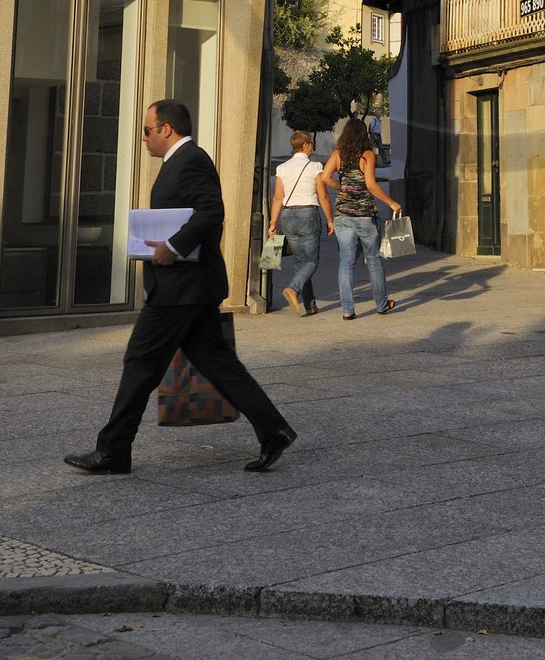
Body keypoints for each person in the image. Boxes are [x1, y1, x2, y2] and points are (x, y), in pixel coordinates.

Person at [64, 99, 296, 476]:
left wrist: (171, 248)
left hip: (180, 289)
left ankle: (113, 452)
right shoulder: (179, 162)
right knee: (218, 364)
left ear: (166, 129)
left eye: (147, 130)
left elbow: (211, 212)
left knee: (140, 362)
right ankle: (274, 430)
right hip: (189, 288)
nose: (143, 138)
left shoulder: (191, 160)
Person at [320, 115, 402, 320]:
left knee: (345, 262)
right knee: (373, 259)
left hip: (343, 214)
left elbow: (324, 177)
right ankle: (382, 304)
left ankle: (348, 310)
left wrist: (341, 187)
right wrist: (391, 203)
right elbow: (371, 185)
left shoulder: (338, 154)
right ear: (363, 135)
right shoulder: (367, 154)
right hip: (364, 214)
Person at [269, 129, 329, 317]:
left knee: (301, 262)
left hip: (287, 216)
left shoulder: (282, 168)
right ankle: (293, 288)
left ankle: (310, 305)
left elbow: (278, 197)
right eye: (311, 143)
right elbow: (323, 195)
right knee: (312, 261)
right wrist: (330, 219)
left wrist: (273, 223)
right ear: (305, 145)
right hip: (308, 214)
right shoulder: (315, 167)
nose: (312, 146)